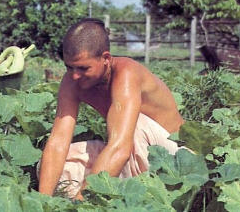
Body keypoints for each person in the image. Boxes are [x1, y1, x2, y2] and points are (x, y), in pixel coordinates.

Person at [38, 19, 186, 200]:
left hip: (174, 159)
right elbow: (57, 142)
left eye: (83, 68)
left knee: (135, 123)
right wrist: (41, 201)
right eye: (69, 67)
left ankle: (135, 195)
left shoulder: (126, 73)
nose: (75, 75)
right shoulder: (72, 80)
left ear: (106, 59)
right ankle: (117, 191)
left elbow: (120, 148)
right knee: (53, 168)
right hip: (129, 153)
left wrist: (81, 203)